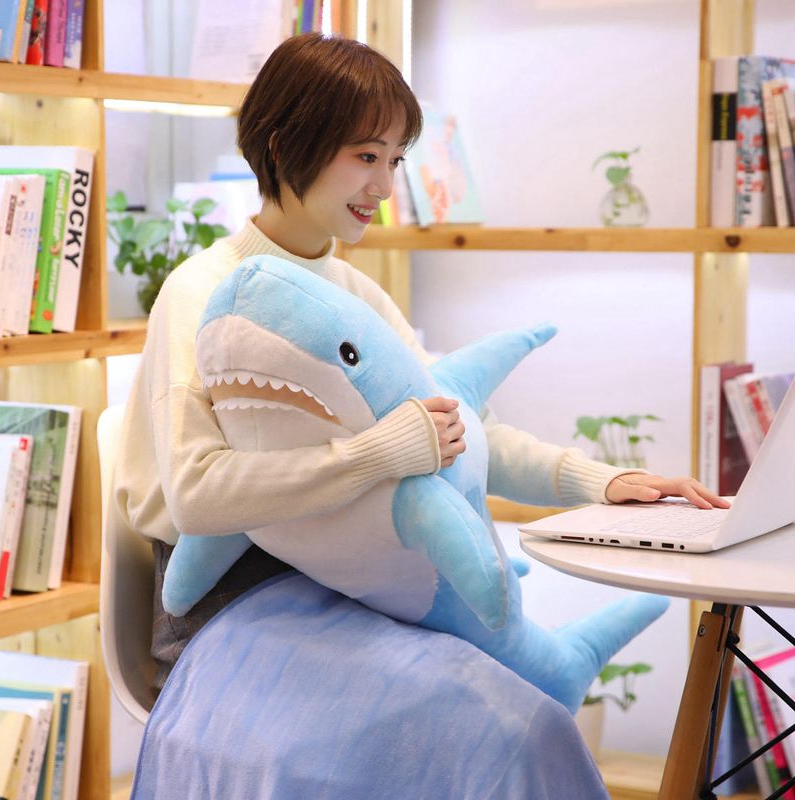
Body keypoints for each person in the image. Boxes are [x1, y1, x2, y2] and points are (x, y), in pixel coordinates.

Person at [113, 32, 728, 691]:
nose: (383, 186)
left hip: (351, 582)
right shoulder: (201, 292)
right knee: (467, 704)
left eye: (396, 160)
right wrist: (377, 455)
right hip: (231, 600)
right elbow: (198, 497)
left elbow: (460, 433)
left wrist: (605, 482)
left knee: (501, 698)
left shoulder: (358, 295)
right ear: (284, 145)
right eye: (365, 156)